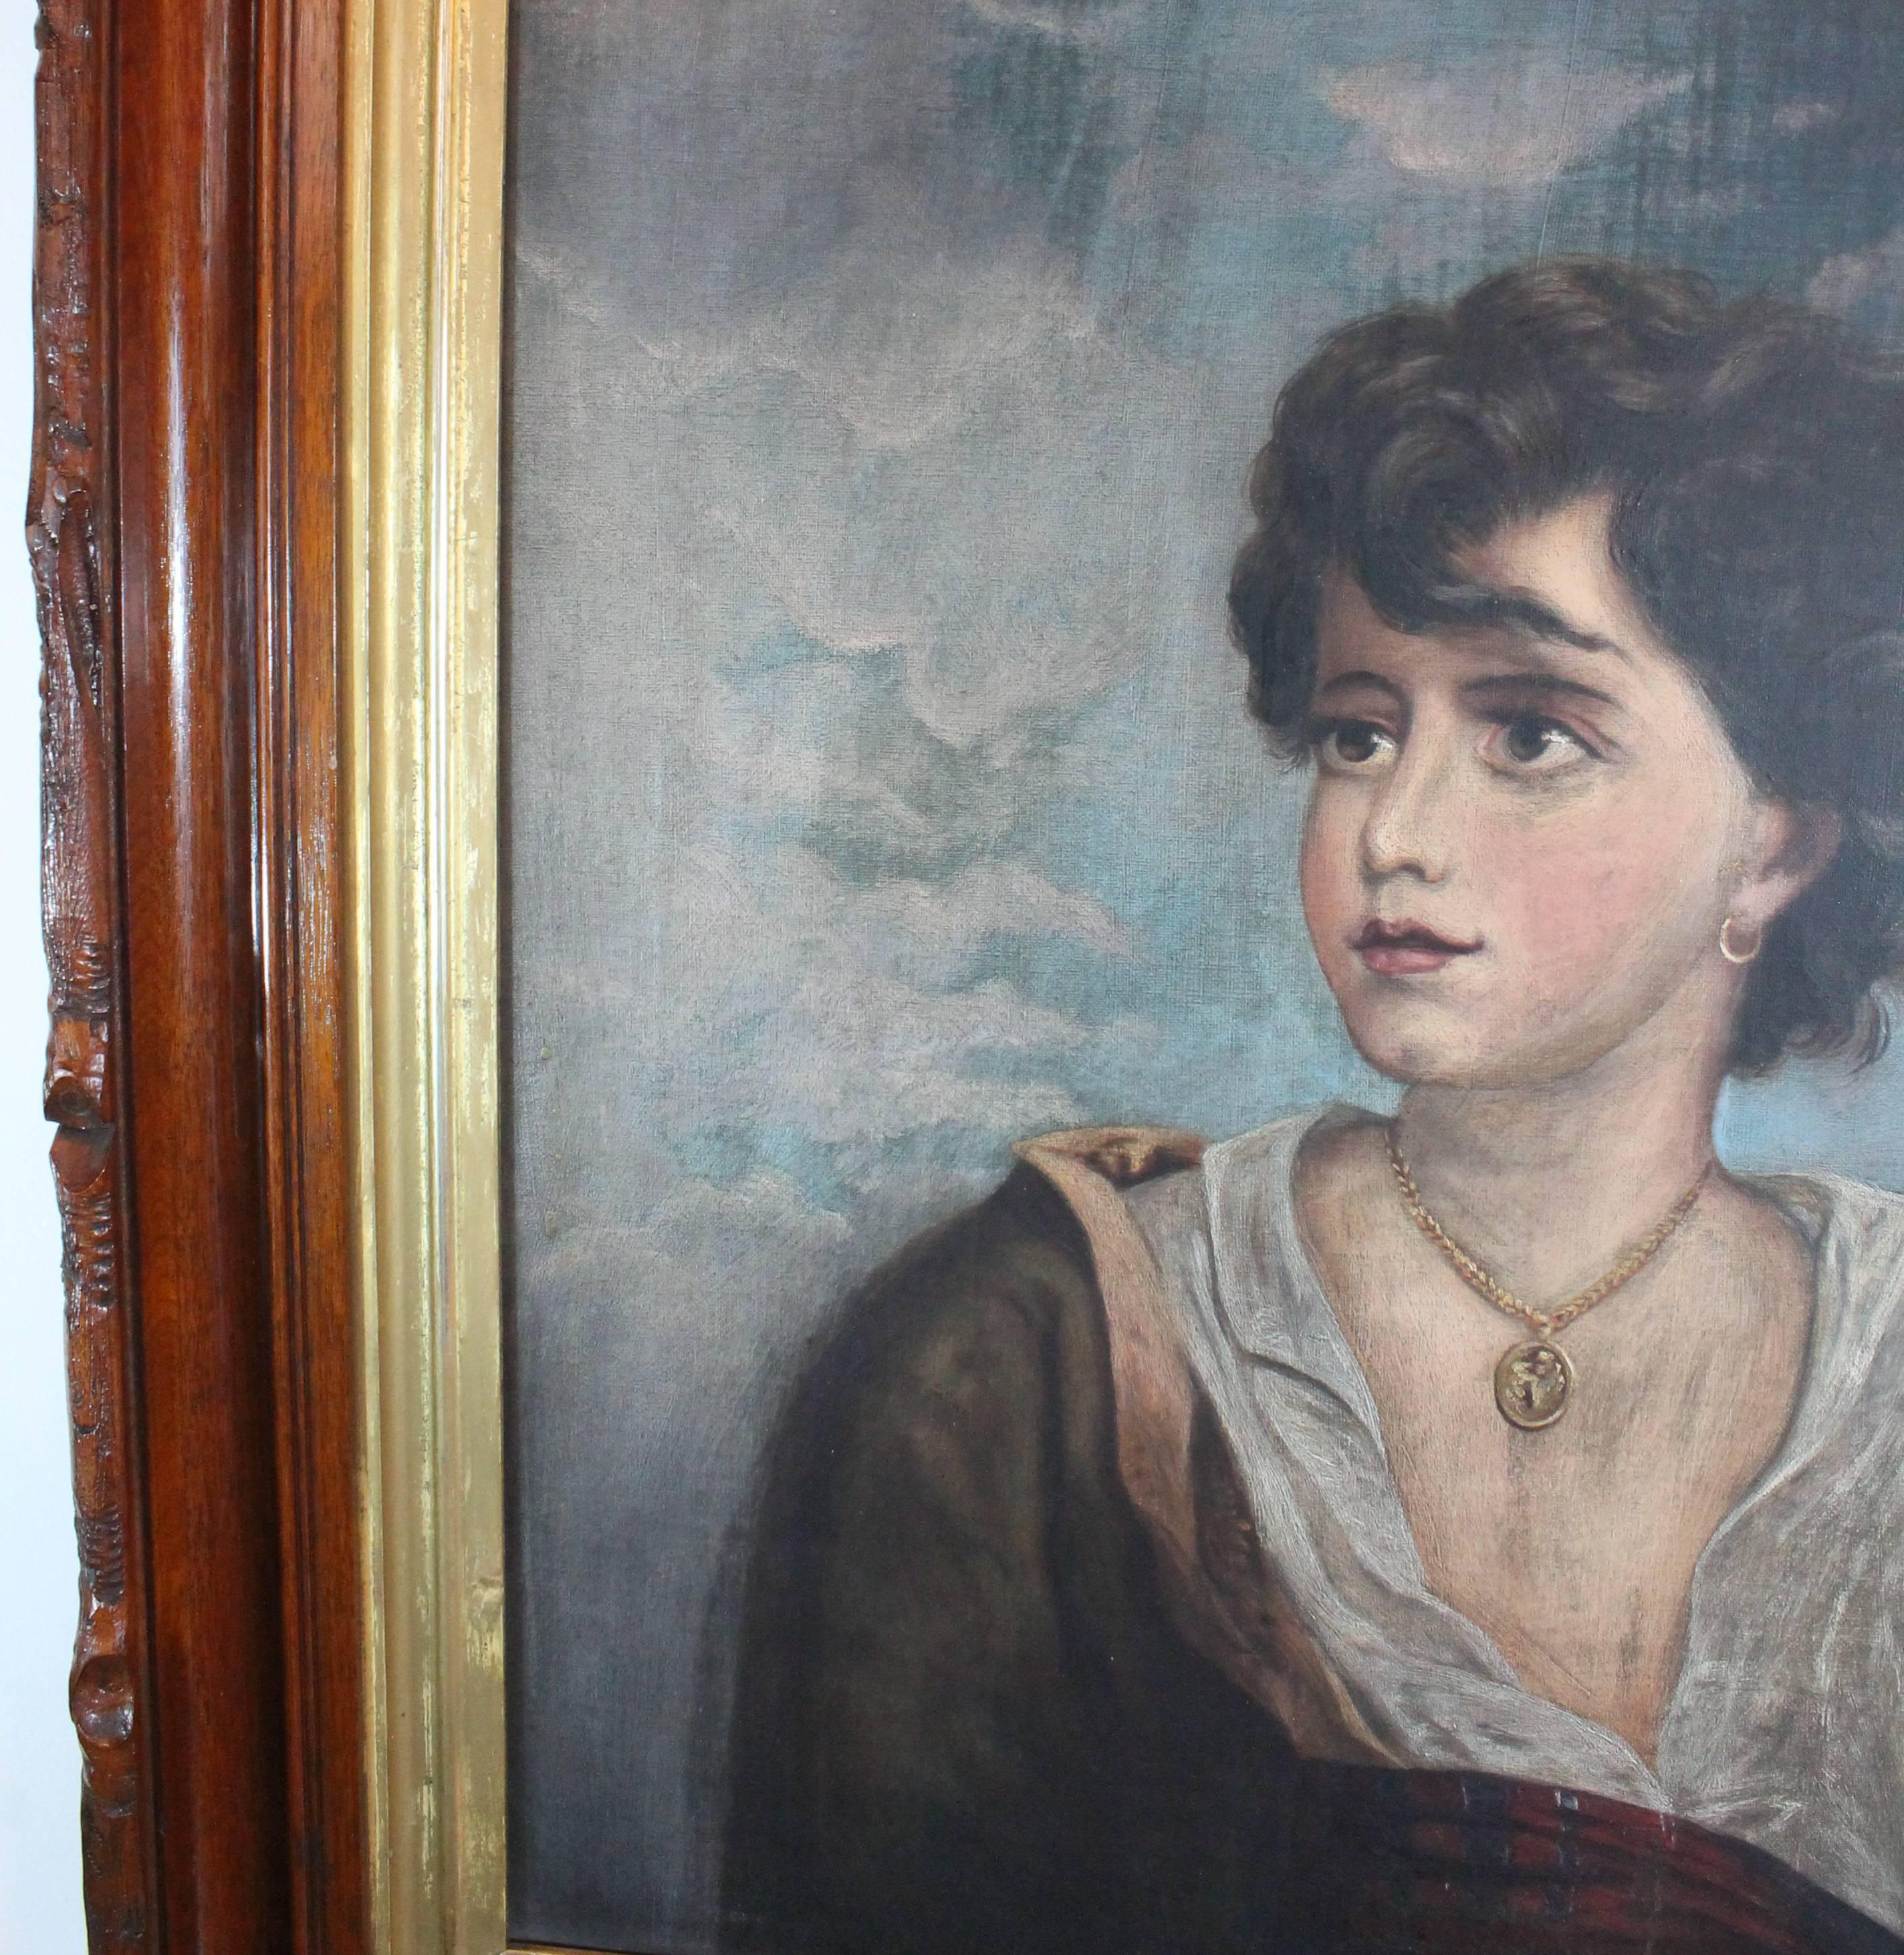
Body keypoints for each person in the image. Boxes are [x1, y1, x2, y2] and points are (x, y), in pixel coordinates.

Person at [723, 258, 1904, 1955]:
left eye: (1526, 733)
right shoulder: (1029, 1363)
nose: (1394, 832)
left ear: (1777, 845)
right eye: (1358, 732)